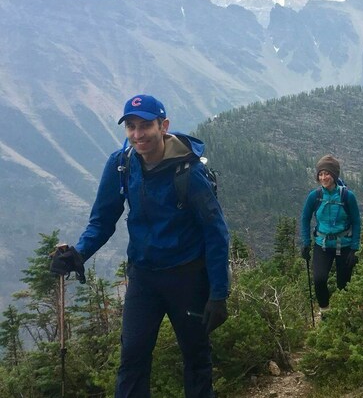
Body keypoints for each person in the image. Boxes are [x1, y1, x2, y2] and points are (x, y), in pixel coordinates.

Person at [50, 94, 230, 398]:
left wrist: (218, 293)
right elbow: (102, 220)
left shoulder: (188, 171)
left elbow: (216, 232)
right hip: (144, 277)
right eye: (131, 126)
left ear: (163, 125)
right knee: (132, 359)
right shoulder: (121, 164)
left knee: (196, 359)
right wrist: (78, 253)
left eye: (145, 125)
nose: (137, 134)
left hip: (187, 278)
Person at [300, 155, 361, 315]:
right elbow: (305, 218)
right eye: (320, 174)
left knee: (343, 284)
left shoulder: (348, 196)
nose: (323, 177)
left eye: (327, 173)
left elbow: (356, 222)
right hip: (323, 244)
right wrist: (306, 242)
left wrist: (355, 249)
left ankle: (343, 315)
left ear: (334, 175)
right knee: (319, 280)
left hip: (345, 245)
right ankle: (325, 311)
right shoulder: (315, 196)